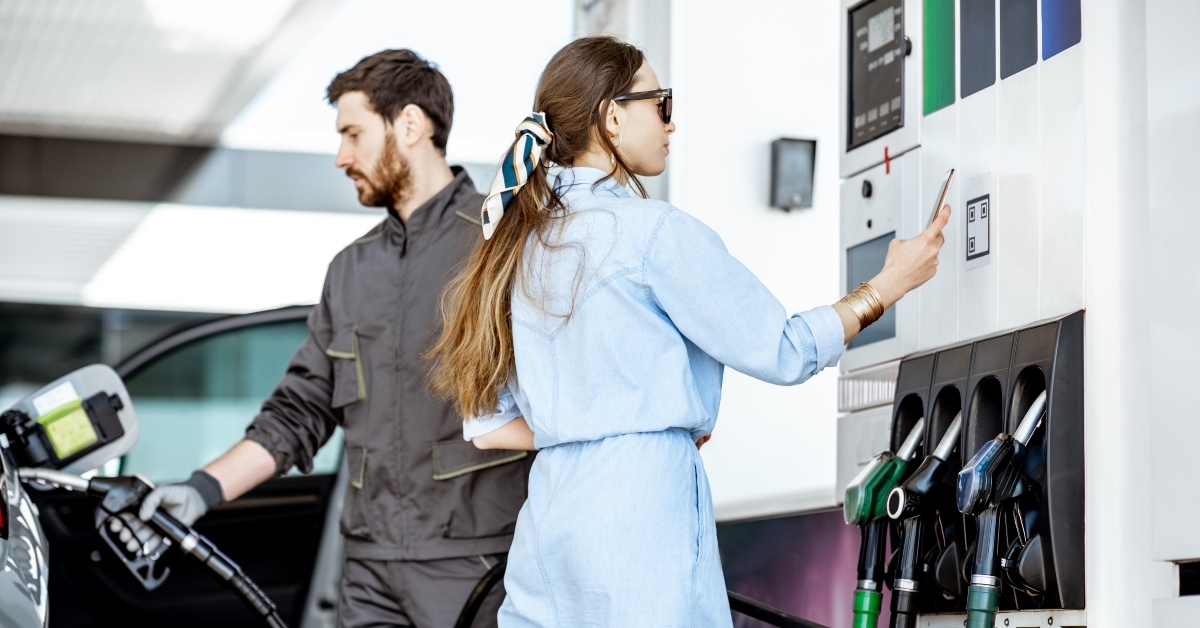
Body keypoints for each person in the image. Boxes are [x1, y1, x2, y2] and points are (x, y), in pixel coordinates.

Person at [427, 36, 950, 627]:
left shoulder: (516, 245)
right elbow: (785, 352)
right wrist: (888, 285)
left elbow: (489, 427)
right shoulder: (653, 234)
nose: (672, 125)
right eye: (662, 104)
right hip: (640, 517)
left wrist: (587, 425)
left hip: (551, 519)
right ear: (612, 115)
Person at [127, 49, 533, 628]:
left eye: (353, 133)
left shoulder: (498, 248)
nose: (342, 156)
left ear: (411, 125)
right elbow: (298, 411)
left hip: (475, 564)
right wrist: (200, 491)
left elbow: (560, 396)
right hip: (368, 571)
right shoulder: (350, 269)